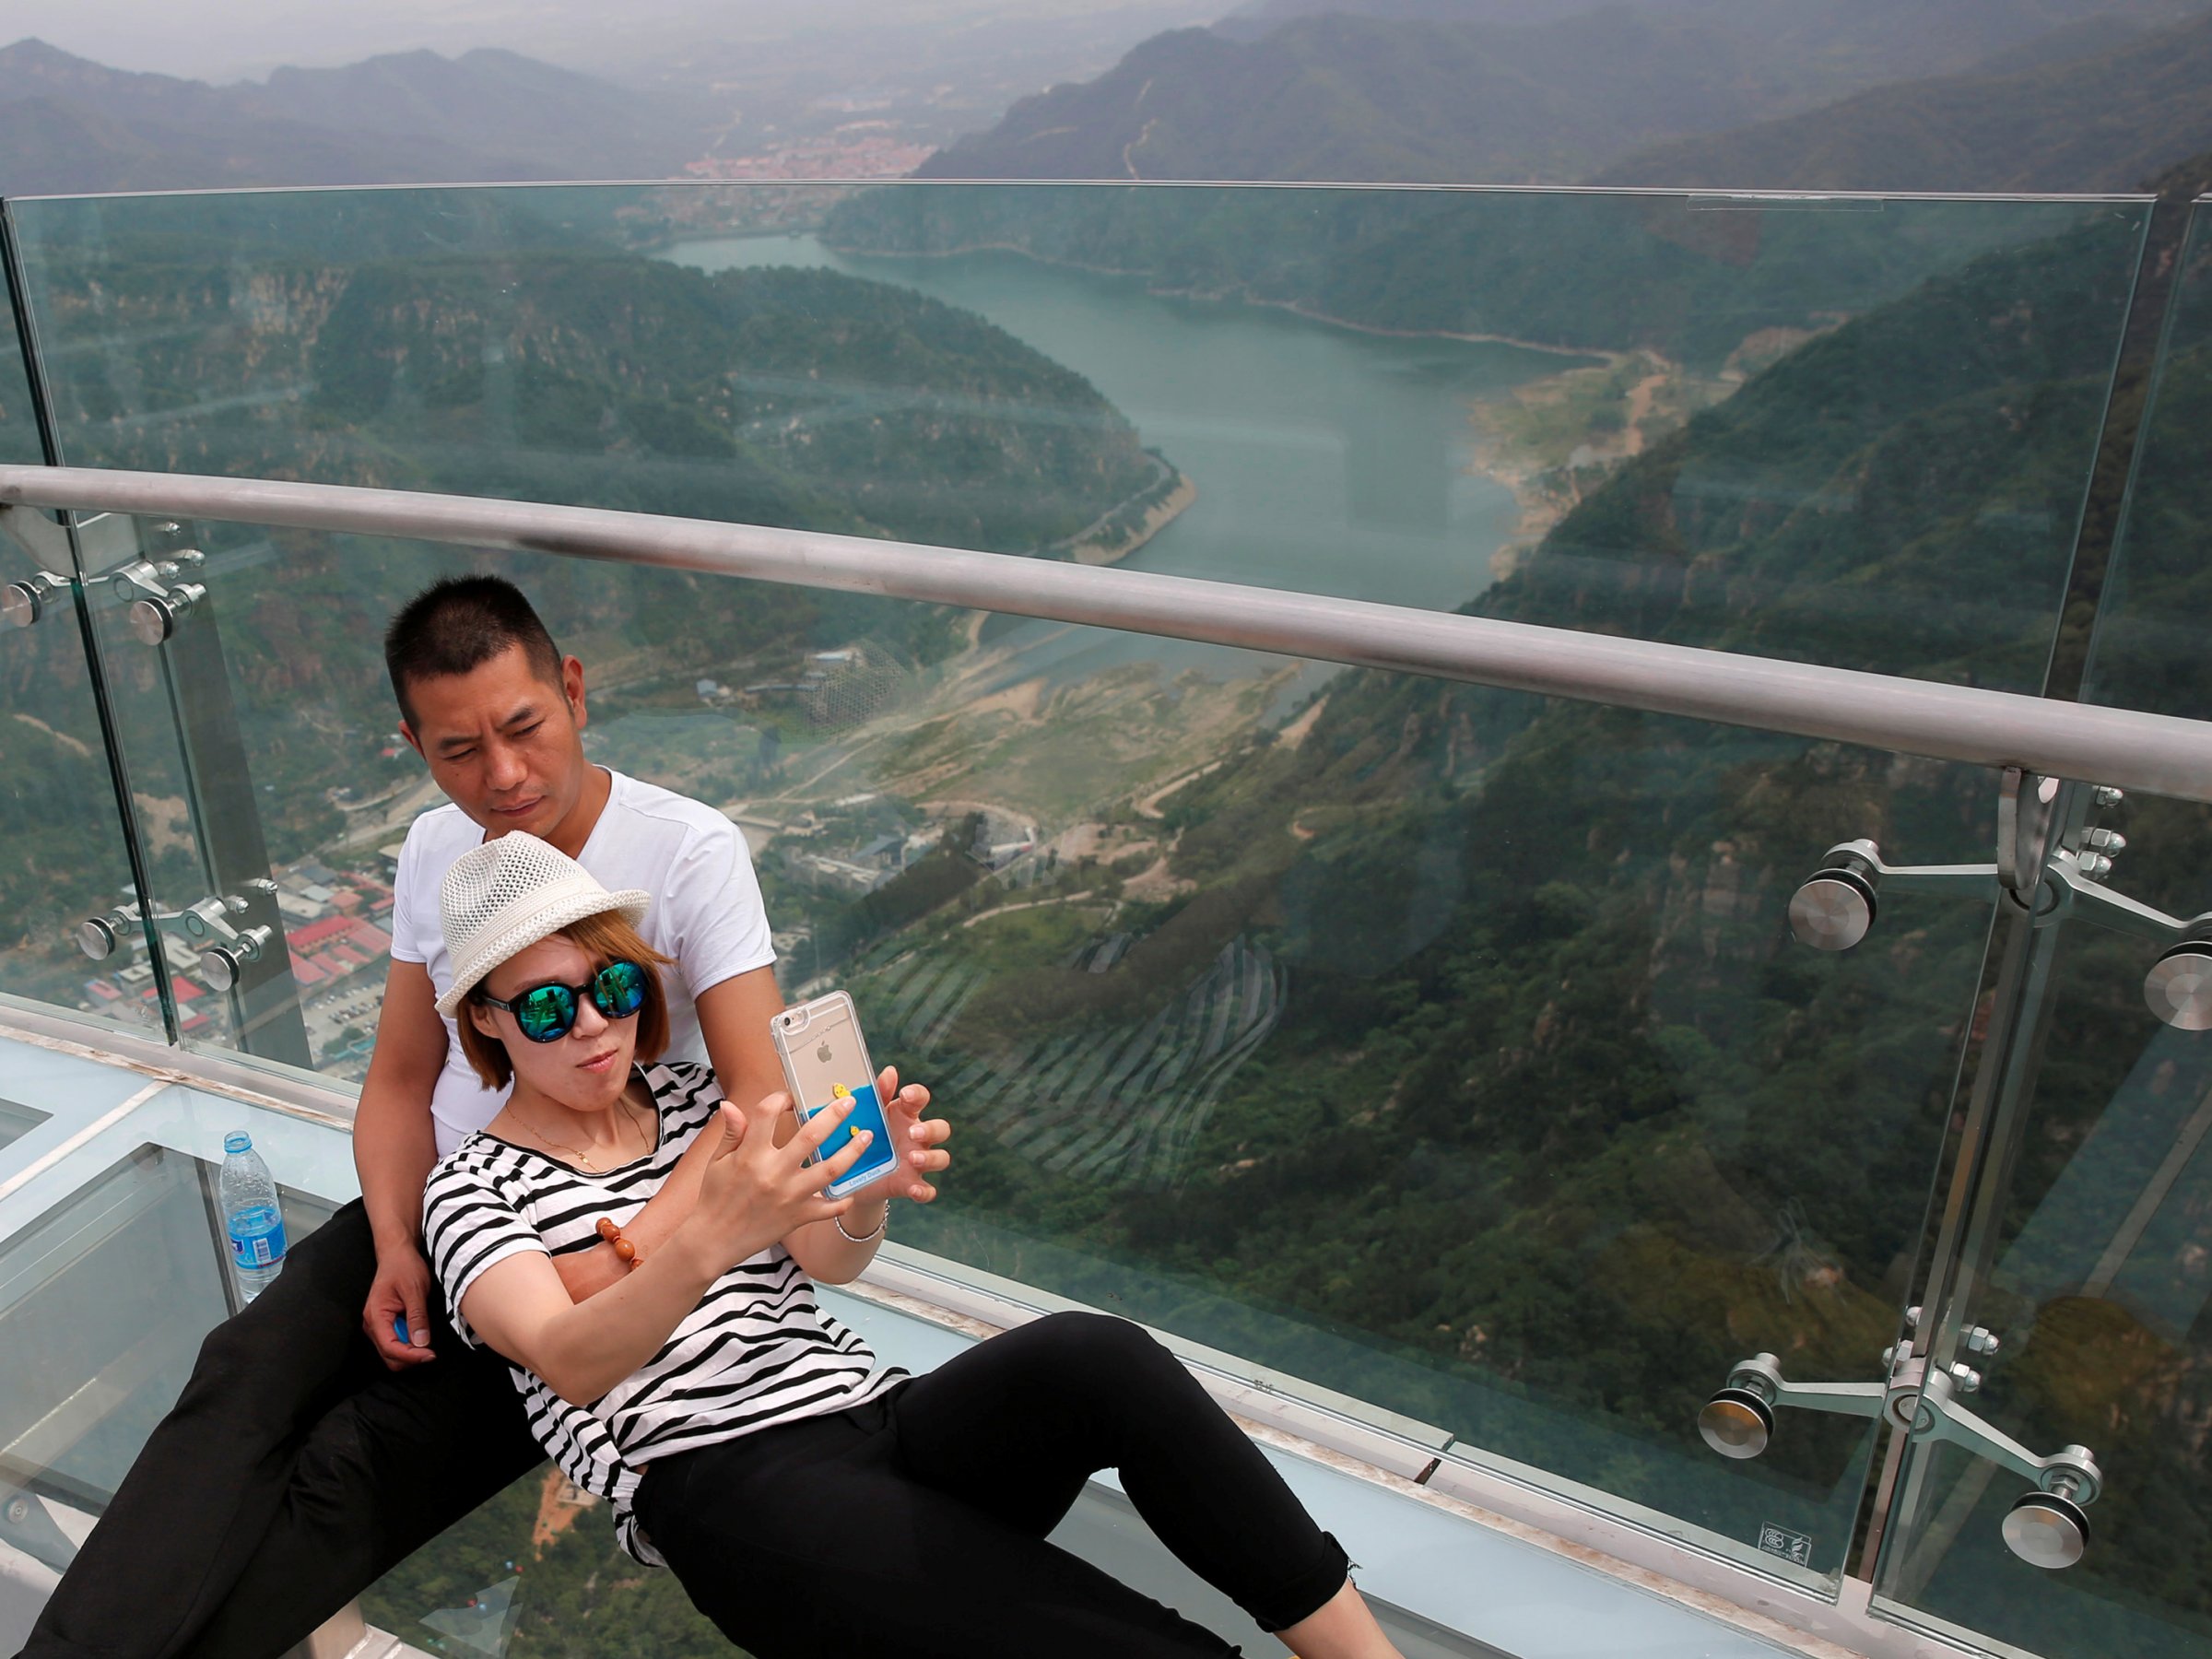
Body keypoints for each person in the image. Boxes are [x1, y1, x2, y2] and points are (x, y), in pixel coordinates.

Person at [16, 576, 947, 1659]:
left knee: (346, 1480)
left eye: (524, 729)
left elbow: (760, 1113)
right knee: (243, 1374)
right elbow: (402, 1079)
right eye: (459, 752)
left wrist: (628, 1251)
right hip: (450, 1202)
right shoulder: (430, 852)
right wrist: (398, 1242)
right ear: (413, 744)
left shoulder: (687, 852)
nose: (503, 777)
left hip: (588, 1226)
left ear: (575, 693)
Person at [423, 834, 1404, 1659]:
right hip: (727, 1486)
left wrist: (864, 1197)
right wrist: (710, 1224)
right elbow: (566, 1355)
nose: (595, 1025)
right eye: (550, 1007)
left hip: (873, 1416)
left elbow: (826, 1260)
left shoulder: (693, 1102)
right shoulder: (471, 1192)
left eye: (614, 985)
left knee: (1097, 1356)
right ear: (486, 1019)